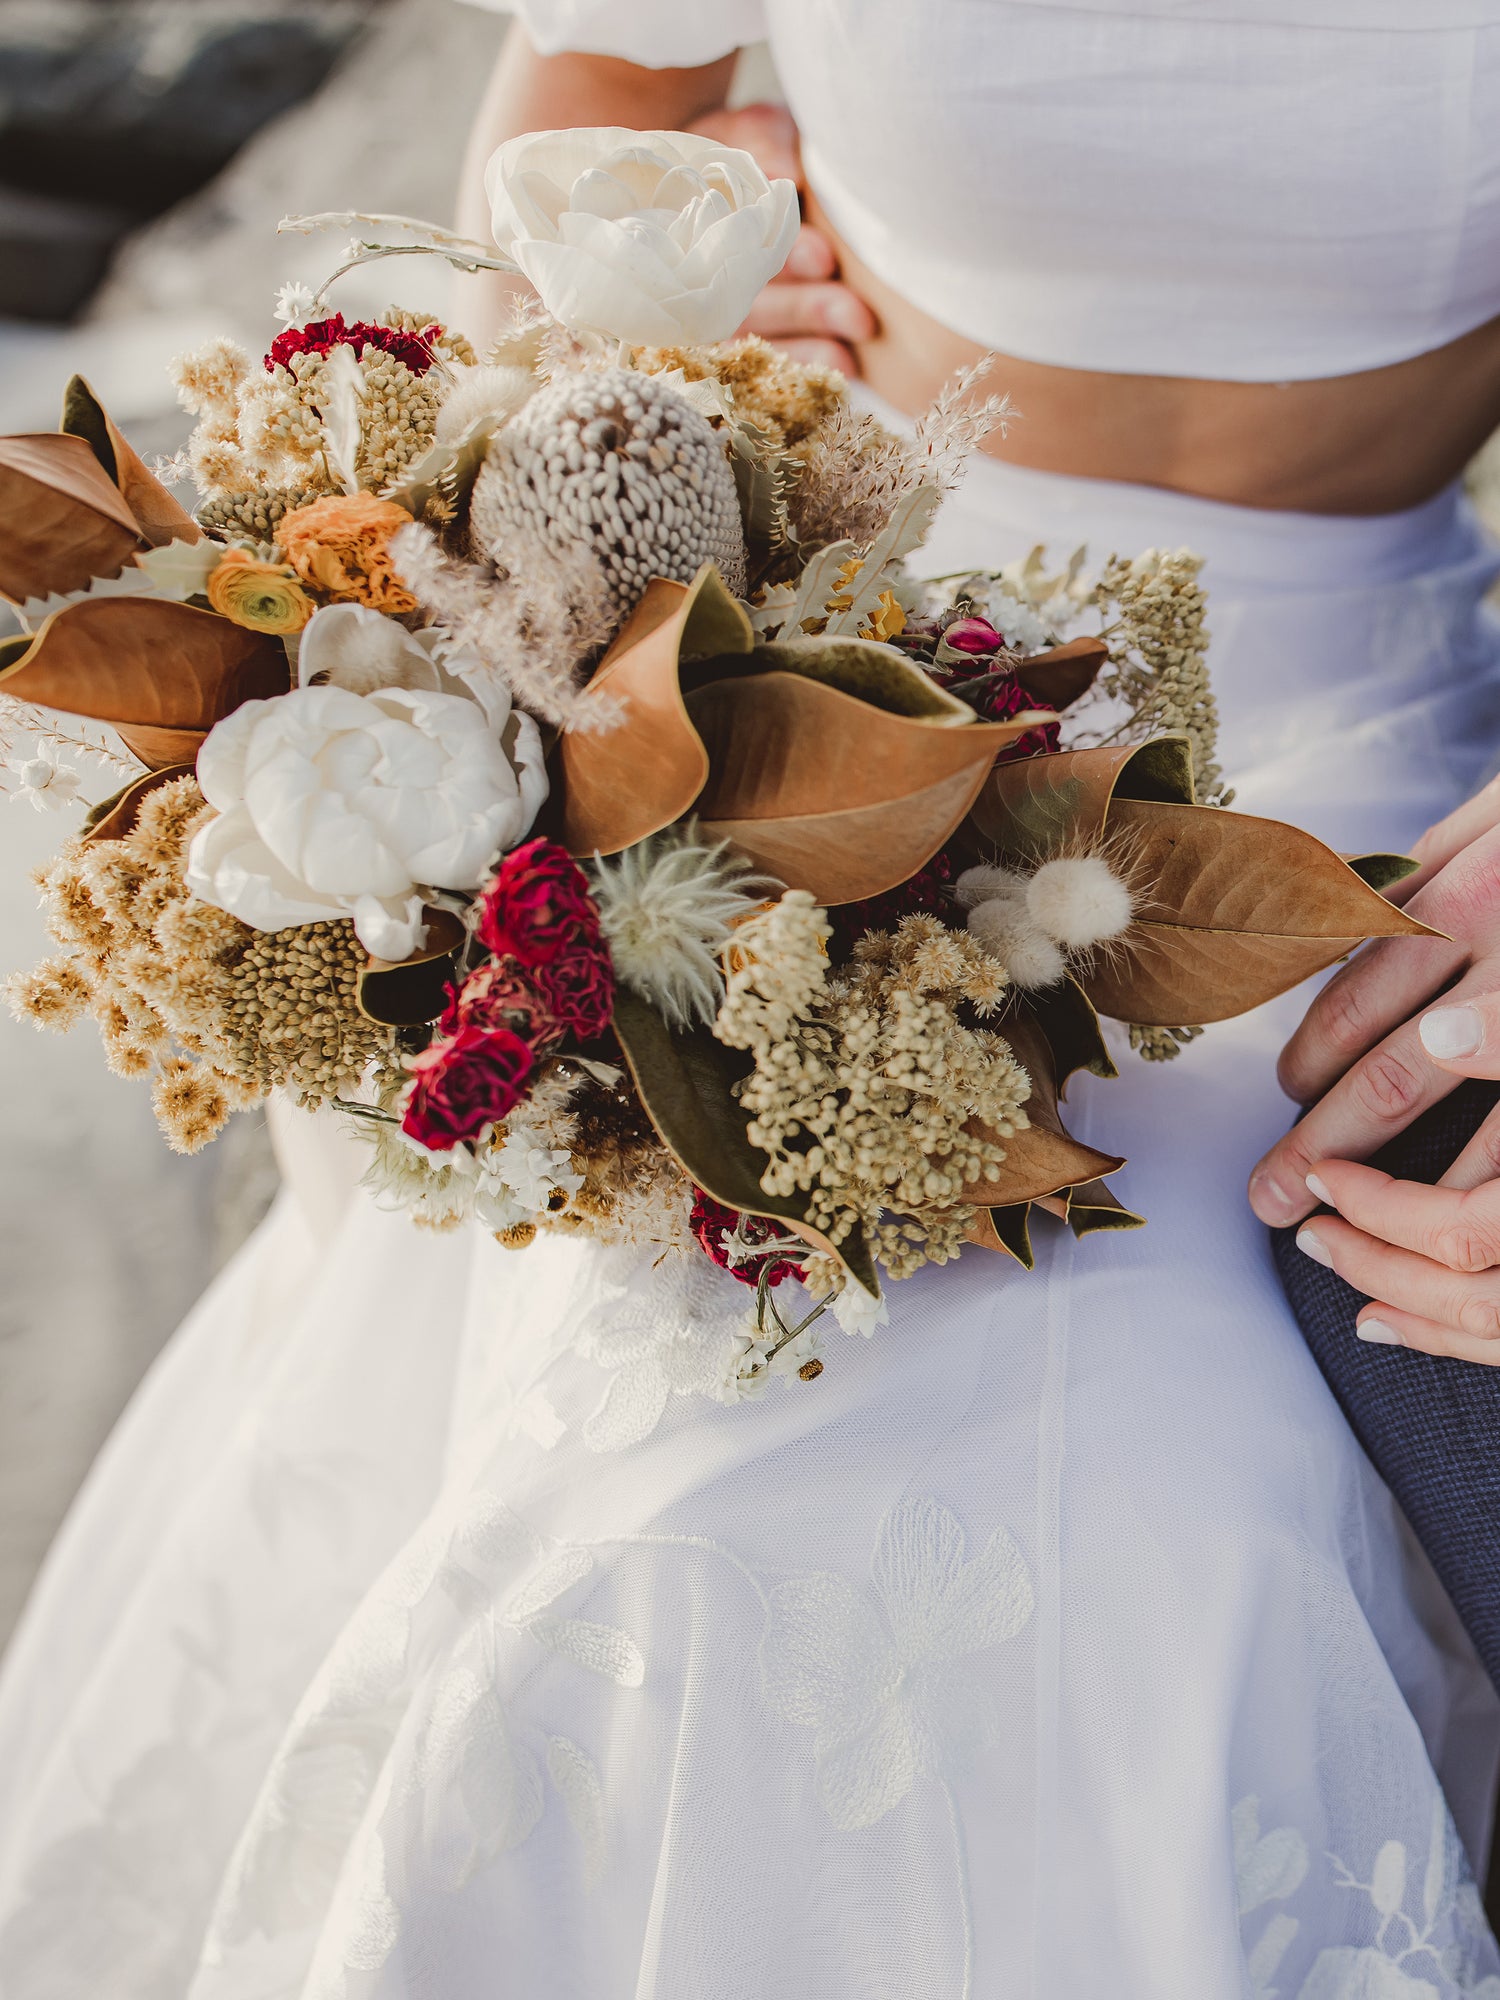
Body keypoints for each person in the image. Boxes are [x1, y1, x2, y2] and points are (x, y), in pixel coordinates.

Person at [5, 5, 1500, 1996]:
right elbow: (609, 84)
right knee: (673, 1495)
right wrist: (639, 334)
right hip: (829, 669)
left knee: (1152, 1512)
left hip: (1381, 777)